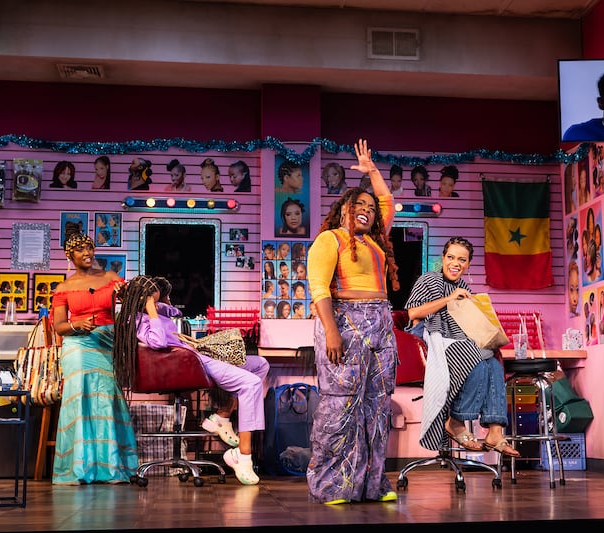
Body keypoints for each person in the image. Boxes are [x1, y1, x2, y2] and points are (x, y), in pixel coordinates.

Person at [305, 138, 400, 505]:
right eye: (358, 204)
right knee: (340, 404)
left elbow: (388, 202)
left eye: (370, 208)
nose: (367, 210)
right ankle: (332, 485)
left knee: (377, 406)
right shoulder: (330, 239)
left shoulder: (376, 244)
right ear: (344, 208)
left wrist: (372, 171)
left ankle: (371, 485)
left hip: (379, 322)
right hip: (345, 322)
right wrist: (331, 330)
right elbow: (318, 288)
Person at [113, 275, 269, 485]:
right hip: (191, 364)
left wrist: (159, 303)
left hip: (194, 359)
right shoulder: (137, 320)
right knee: (251, 383)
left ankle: (223, 415)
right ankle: (243, 455)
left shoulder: (151, 312)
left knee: (259, 364)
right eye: (155, 299)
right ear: (144, 300)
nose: (160, 303)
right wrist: (150, 308)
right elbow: (158, 342)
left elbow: (175, 312)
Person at [405, 236, 520, 458]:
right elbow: (413, 313)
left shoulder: (464, 286)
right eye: (450, 257)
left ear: (468, 264)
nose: (455, 263)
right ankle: (456, 421)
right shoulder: (428, 280)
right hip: (429, 335)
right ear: (443, 258)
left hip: (458, 338)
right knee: (474, 360)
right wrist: (449, 298)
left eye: (461, 259)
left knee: (493, 360)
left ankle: (495, 430)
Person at [50, 228, 138, 484]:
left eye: (89, 248)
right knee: (80, 399)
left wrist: (126, 297)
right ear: (70, 255)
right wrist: (78, 326)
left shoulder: (111, 279)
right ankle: (79, 469)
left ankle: (109, 467)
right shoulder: (63, 288)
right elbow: (59, 326)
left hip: (107, 344)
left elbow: (129, 306)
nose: (87, 253)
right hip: (77, 345)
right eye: (80, 249)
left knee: (105, 399)